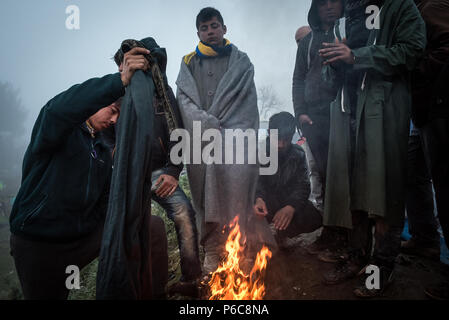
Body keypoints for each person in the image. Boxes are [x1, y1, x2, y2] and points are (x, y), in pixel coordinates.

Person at [9, 46, 168, 299]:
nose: (115, 120)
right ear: (95, 104)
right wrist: (119, 81)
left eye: (119, 114)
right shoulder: (58, 130)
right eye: (112, 111)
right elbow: (59, 109)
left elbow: (106, 201)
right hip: (40, 243)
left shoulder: (103, 150)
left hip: (83, 238)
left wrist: (118, 228)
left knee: (153, 227)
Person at [319, 0, 426, 297]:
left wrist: (357, 56)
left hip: (383, 107)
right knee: (352, 188)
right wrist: (333, 63)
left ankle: (382, 266)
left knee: (383, 189)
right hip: (346, 111)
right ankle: (356, 256)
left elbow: (413, 51)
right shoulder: (346, 17)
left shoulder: (400, 7)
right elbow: (333, 76)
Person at [176, 7, 259, 275]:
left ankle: (242, 248)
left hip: (236, 139)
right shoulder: (188, 63)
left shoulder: (241, 61)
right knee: (204, 197)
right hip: (201, 140)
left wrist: (230, 129)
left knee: (238, 194)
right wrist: (207, 123)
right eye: (204, 28)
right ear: (198, 32)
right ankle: (212, 249)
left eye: (214, 26)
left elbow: (247, 103)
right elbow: (184, 101)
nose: (210, 31)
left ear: (224, 28)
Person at [113, 47, 202, 286]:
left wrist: (173, 172)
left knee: (184, 212)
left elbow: (178, 134)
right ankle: (140, 284)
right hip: (126, 174)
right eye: (123, 65)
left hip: (158, 173)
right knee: (132, 227)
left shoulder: (162, 93)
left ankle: (191, 279)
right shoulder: (115, 93)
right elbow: (104, 134)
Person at [292, 0, 345, 259]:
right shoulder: (307, 42)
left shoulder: (348, 32)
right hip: (314, 118)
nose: (328, 7)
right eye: (322, 3)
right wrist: (300, 112)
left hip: (343, 113)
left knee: (343, 177)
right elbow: (298, 78)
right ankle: (330, 232)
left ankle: (348, 236)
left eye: (334, 1)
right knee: (322, 176)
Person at [411, 0, 449, 300]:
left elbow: (445, 46)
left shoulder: (431, 6)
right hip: (425, 113)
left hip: (440, 109)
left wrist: (414, 73)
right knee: (423, 180)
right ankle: (425, 240)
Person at [253, 112, 322, 248]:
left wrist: (291, 206)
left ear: (292, 136)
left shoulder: (298, 154)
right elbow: (253, 182)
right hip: (263, 205)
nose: (280, 144)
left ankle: (282, 235)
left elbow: (303, 186)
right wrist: (258, 198)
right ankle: (257, 235)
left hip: (284, 202)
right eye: (277, 138)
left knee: (315, 217)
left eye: (285, 139)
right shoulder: (257, 152)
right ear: (269, 132)